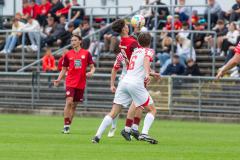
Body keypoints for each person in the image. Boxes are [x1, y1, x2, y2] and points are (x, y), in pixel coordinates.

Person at [92, 19, 141, 143]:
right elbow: (142, 56)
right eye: (126, 25)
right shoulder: (132, 42)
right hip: (134, 79)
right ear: (124, 29)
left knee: (114, 112)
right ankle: (133, 129)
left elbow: (131, 44)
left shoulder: (122, 43)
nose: (128, 26)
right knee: (142, 104)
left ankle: (97, 136)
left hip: (123, 80)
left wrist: (137, 32)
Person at [119, 32, 158, 144]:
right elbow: (146, 61)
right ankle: (144, 133)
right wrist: (147, 74)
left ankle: (129, 129)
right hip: (136, 84)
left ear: (138, 42)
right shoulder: (149, 51)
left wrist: (151, 73)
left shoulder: (136, 51)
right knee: (152, 110)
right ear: (150, 42)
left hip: (126, 82)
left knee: (136, 104)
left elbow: (139, 66)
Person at [54, 35, 95, 134]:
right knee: (69, 102)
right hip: (70, 81)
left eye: (75, 40)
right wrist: (58, 79)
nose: (73, 42)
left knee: (74, 106)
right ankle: (66, 126)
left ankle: (68, 125)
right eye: (72, 40)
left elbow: (92, 67)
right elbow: (64, 69)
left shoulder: (86, 53)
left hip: (81, 82)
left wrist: (91, 72)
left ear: (80, 41)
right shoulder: (68, 54)